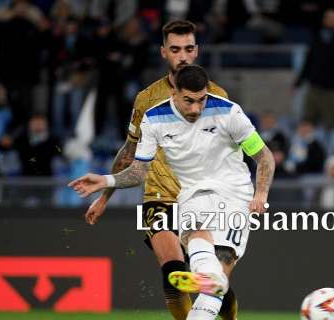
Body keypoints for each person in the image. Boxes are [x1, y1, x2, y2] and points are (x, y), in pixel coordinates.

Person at [70, 65, 275, 319]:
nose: (196, 108)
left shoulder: (229, 112)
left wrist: (261, 195)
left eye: (201, 100)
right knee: (200, 245)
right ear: (174, 93)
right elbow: (139, 172)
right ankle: (210, 277)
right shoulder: (154, 118)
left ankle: (211, 277)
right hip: (191, 194)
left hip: (235, 194)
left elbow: (265, 158)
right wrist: (106, 180)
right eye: (189, 101)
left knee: (219, 262)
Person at [79, 20, 237, 320]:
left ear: (197, 51)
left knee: (215, 286)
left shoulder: (217, 96)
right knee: (174, 274)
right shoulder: (147, 100)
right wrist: (104, 197)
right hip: (159, 195)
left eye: (189, 49)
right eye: (175, 49)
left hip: (203, 197)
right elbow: (129, 153)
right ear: (164, 52)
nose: (183, 57)